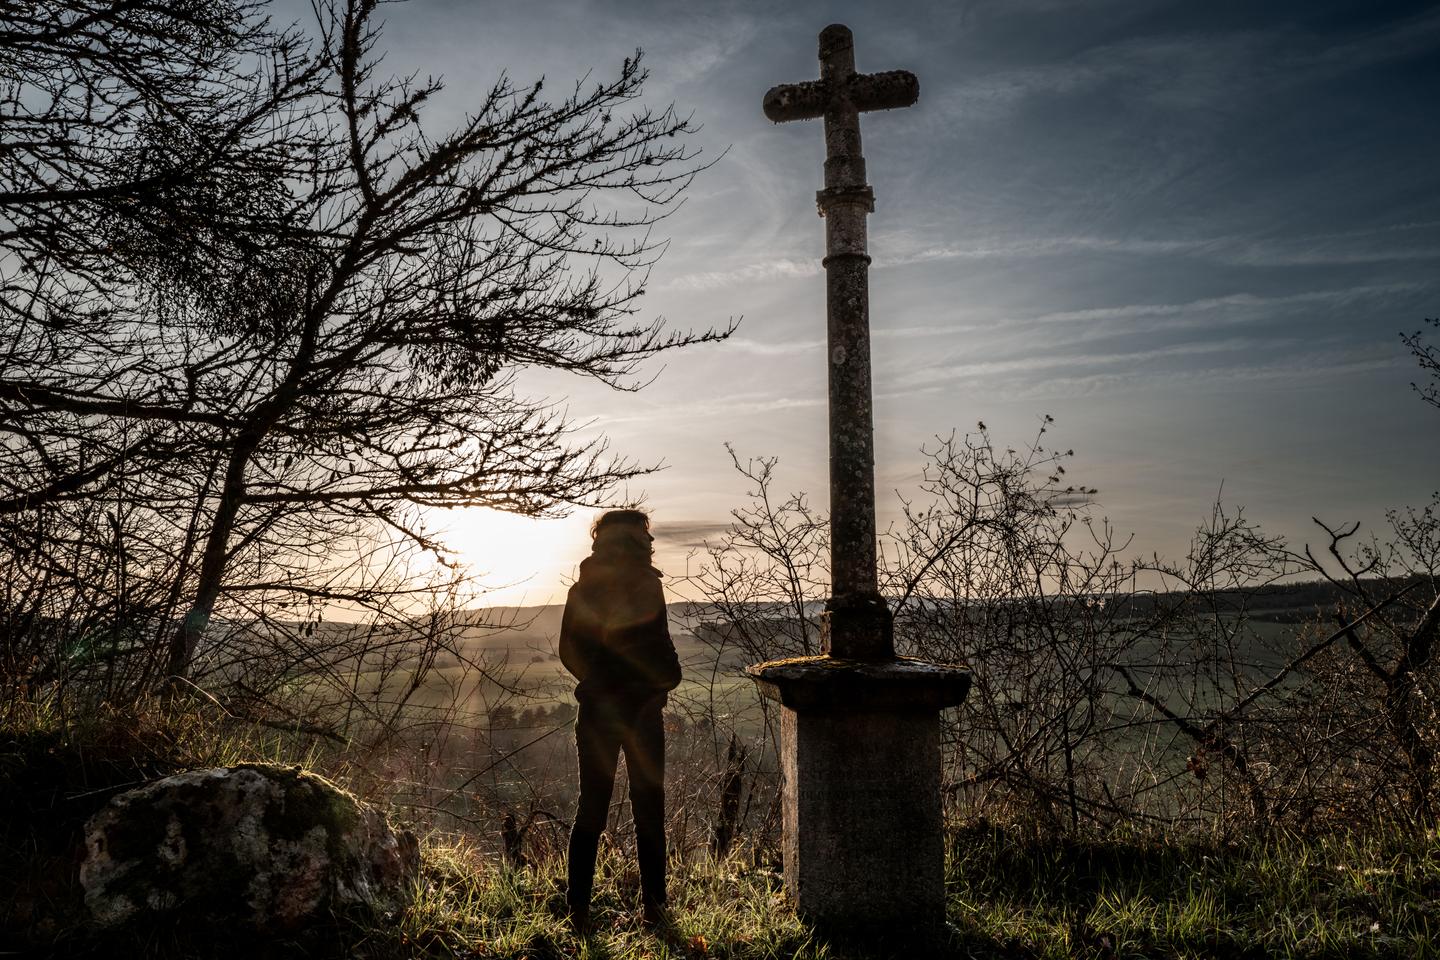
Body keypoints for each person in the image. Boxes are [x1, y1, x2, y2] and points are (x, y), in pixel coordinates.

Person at [559, 508, 681, 929]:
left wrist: (597, 682)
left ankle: (578, 912)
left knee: (591, 808)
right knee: (649, 809)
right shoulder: (647, 585)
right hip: (642, 712)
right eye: (646, 537)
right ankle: (655, 909)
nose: (651, 544)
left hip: (597, 712)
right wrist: (658, 682)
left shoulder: (583, 589)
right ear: (633, 541)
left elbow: (569, 651)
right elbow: (657, 646)